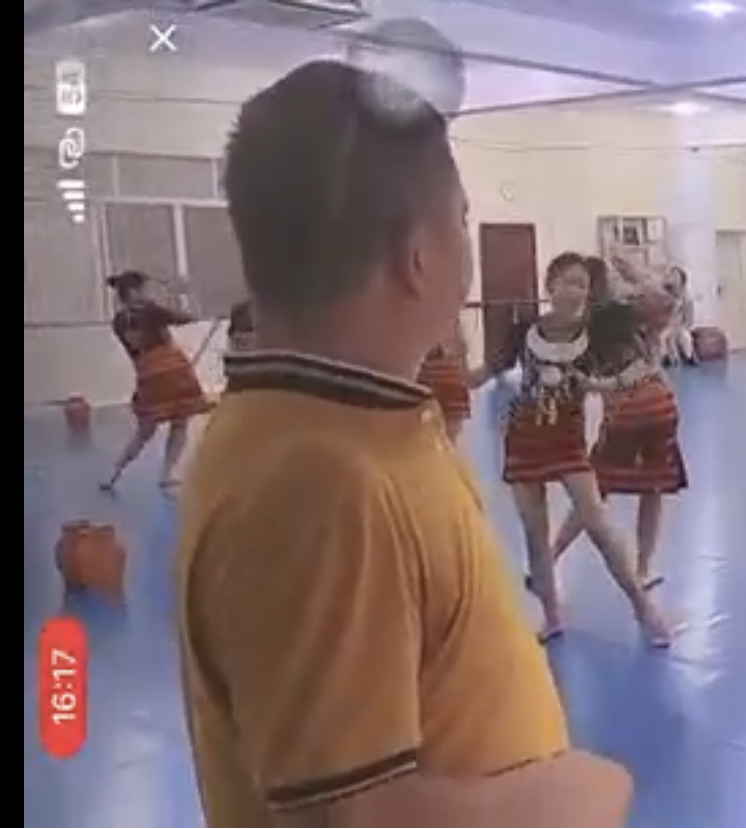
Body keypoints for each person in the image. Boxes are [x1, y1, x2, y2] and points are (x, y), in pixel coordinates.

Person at [176, 61, 631, 827]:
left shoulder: (346, 426)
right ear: (417, 255)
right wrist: (568, 797)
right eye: (461, 221)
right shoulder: (323, 484)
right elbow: (349, 816)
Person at [489, 253, 674, 645]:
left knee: (600, 527)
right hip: (524, 441)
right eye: (568, 282)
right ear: (550, 286)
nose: (575, 292)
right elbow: (487, 372)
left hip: (568, 445)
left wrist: (601, 385)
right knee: (535, 535)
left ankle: (643, 607)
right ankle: (551, 615)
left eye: (583, 285)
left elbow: (655, 323)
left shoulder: (598, 329)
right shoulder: (524, 330)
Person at [545, 256, 688, 591]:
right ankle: (642, 569)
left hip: (623, 409)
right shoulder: (619, 313)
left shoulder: (575, 327)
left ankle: (548, 559)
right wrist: (637, 272)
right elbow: (666, 302)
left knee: (595, 491)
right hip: (657, 403)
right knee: (653, 490)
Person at [100, 270, 212, 490]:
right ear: (133, 292)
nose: (148, 293)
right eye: (145, 289)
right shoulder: (152, 311)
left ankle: (114, 473)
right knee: (179, 423)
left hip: (148, 376)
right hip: (172, 372)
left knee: (145, 430)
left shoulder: (119, 321)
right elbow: (188, 317)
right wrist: (181, 294)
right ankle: (166, 474)